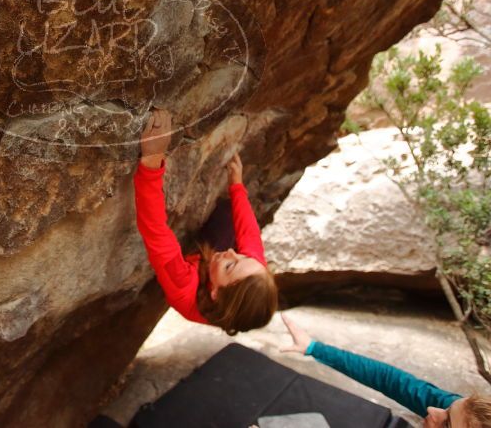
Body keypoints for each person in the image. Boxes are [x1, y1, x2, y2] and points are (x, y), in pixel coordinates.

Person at [134, 108, 277, 334]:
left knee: (185, 253)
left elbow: (155, 230)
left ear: (215, 293)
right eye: (242, 256)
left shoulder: (184, 288)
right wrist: (237, 185)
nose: (232, 251)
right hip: (209, 271)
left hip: (192, 275)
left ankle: (198, 252)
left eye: (232, 265)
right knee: (227, 215)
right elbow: (249, 233)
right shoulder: (250, 272)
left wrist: (152, 161)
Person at [280, 313, 491, 428]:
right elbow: (389, 379)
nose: (432, 410)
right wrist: (315, 348)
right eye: (448, 407)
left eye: (446, 424)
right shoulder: (459, 414)